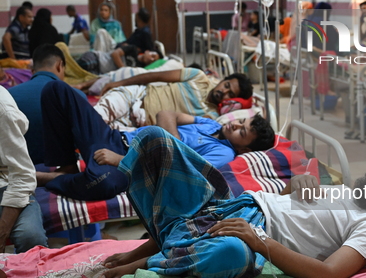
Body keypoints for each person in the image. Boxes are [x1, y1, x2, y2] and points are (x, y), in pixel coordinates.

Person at [97, 137, 366, 278]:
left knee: (228, 255)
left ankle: (149, 259)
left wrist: (259, 241)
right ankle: (156, 242)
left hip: (251, 233)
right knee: (158, 142)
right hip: (231, 204)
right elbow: (282, 200)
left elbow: (328, 276)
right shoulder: (344, 189)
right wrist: (294, 182)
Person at [36, 79, 275, 201]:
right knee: (56, 89)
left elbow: (174, 166)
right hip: (115, 137)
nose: (235, 124)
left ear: (244, 149)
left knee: (103, 183)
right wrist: (171, 142)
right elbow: (165, 114)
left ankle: (50, 179)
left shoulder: (224, 154)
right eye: (241, 122)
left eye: (241, 132)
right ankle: (66, 165)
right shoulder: (212, 124)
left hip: (129, 163)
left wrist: (122, 160)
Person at [96, 69, 253, 130]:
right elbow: (155, 75)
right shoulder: (198, 77)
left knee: (96, 135)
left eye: (230, 94)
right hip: (136, 96)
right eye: (226, 85)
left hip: (137, 125)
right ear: (222, 80)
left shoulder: (210, 116)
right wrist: (118, 83)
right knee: (93, 119)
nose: (223, 91)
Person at [9, 44, 86, 164]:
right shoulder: (76, 96)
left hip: (16, 170)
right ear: (60, 66)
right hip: (61, 173)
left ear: (32, 71)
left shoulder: (8, 96)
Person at [0, 85, 48, 253]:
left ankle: (31, 276)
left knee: (31, 237)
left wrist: (2, 231)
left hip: (6, 181)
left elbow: (22, 175)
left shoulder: (2, 109)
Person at [76, 46, 162, 75]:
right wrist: (124, 69)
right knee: (86, 64)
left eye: (153, 60)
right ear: (147, 51)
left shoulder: (140, 69)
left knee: (83, 76)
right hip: (98, 58)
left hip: (100, 72)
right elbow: (115, 54)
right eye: (152, 55)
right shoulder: (133, 50)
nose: (151, 59)